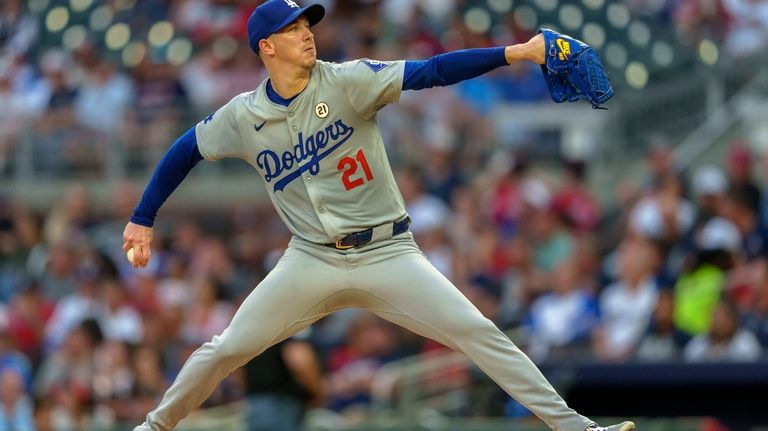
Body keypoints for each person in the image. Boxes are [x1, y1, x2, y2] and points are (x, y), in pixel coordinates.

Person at [122, 2, 635, 430]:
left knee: (479, 332)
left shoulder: (346, 80)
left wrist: (518, 52)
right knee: (224, 348)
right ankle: (153, 428)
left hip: (388, 251)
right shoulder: (242, 116)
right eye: (293, 29)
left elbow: (431, 72)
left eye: (307, 25)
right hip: (310, 259)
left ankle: (579, 429)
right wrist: (143, 217)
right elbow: (183, 150)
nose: (307, 35)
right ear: (266, 47)